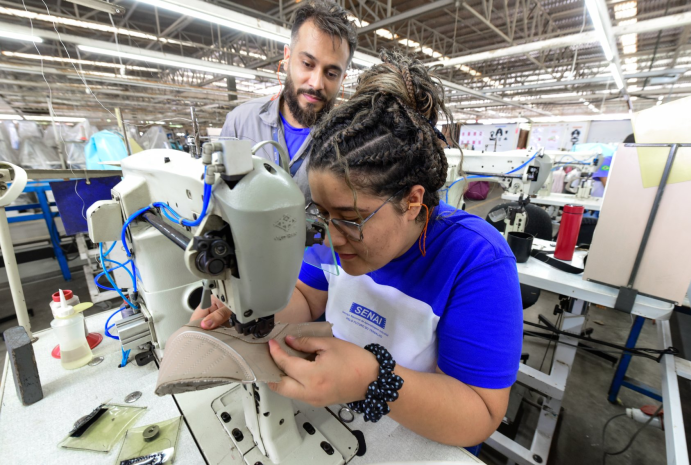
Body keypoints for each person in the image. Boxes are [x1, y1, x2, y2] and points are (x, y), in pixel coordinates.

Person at [192, 51, 523, 447]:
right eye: (322, 212)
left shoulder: (477, 260)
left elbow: (480, 414)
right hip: (339, 416)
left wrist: (373, 377)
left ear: (413, 201)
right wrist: (251, 305)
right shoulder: (335, 228)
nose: (331, 236)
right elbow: (305, 296)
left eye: (350, 217)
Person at [219, 1, 357, 203]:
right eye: (307, 64)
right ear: (287, 58)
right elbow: (218, 198)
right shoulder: (240, 123)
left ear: (342, 79)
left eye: (331, 73)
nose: (317, 83)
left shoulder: (350, 142)